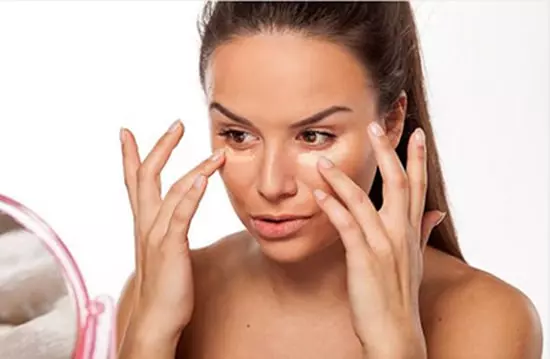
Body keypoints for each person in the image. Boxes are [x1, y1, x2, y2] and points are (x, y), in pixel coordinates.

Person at [115, 2, 543, 358]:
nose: (271, 184)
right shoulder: (157, 296)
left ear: (391, 120)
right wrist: (150, 333)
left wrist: (394, 341)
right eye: (238, 135)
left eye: (313, 136)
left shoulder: (487, 318)